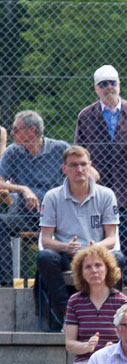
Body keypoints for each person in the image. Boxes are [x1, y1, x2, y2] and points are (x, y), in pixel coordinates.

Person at [75, 64, 127, 287]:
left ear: (119, 85)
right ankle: (100, 285)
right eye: (103, 84)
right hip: (97, 191)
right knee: (97, 239)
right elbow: (78, 150)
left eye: (112, 83)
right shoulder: (86, 115)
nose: (108, 88)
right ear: (96, 89)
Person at [38, 145, 121, 323]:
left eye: (83, 164)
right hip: (65, 255)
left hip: (95, 253)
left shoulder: (106, 195)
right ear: (64, 169)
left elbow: (112, 239)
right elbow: (46, 240)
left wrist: (95, 248)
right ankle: (66, 313)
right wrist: (65, 247)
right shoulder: (52, 196)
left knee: (118, 259)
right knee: (45, 257)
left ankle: (109, 314)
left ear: (90, 166)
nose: (79, 169)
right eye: (73, 165)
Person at [0, 110, 70, 285]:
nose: (12, 133)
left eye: (16, 129)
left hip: (56, 215)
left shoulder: (60, 148)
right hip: (24, 213)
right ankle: (6, 283)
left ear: (31, 130)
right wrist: (23, 189)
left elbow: (84, 172)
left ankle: (63, 278)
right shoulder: (13, 152)